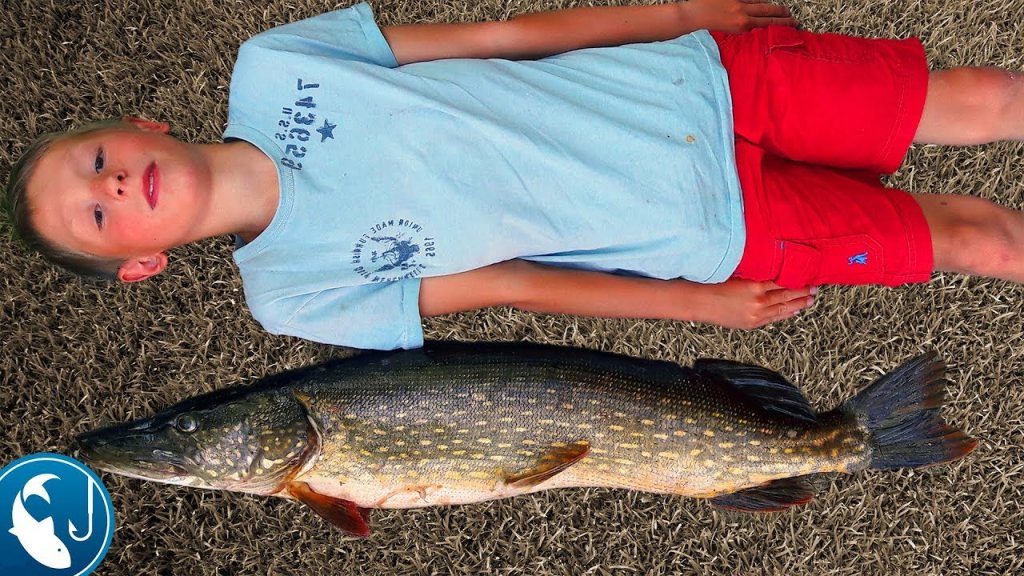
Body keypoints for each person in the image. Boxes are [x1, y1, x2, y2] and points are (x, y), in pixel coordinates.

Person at [5, 0, 1024, 350]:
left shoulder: (274, 66)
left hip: (700, 82)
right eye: (95, 215)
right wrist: (699, 310)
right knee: (970, 238)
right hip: (714, 234)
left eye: (95, 159)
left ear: (139, 125)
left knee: (980, 99)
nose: (114, 183)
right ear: (138, 265)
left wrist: (675, 18)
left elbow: (498, 35)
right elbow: (510, 285)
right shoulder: (291, 295)